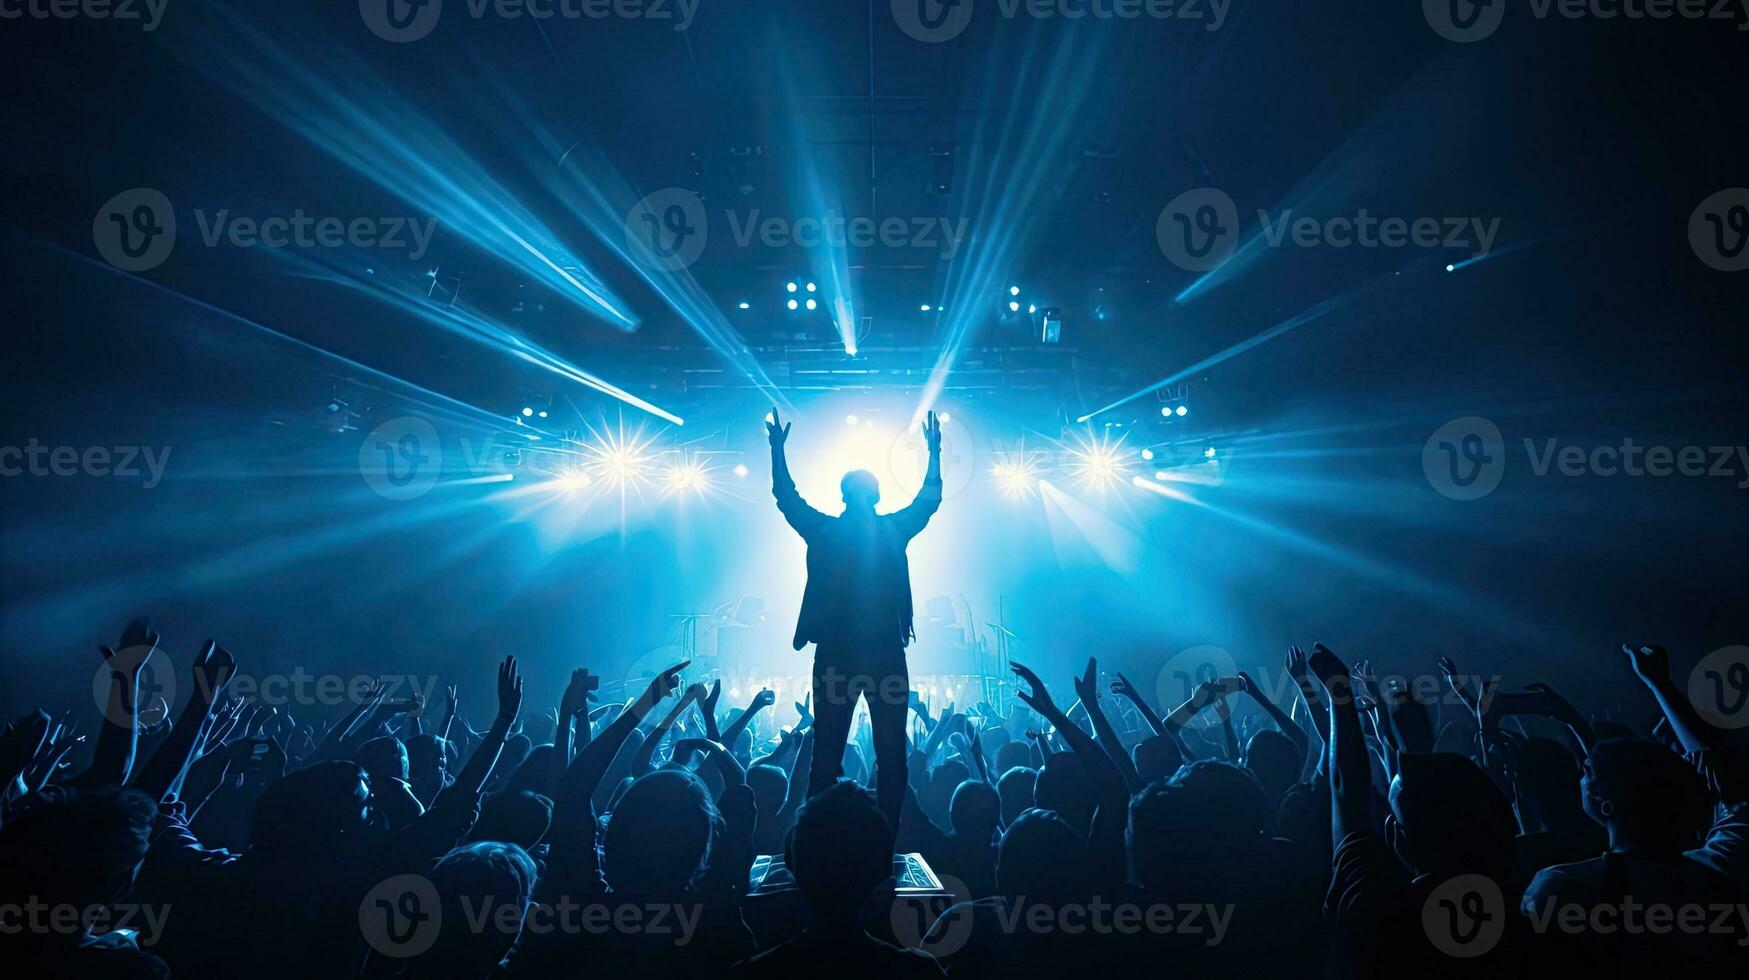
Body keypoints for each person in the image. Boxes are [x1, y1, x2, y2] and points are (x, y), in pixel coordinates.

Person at [767, 407, 945, 829]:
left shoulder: (825, 530)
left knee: (825, 755)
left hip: (835, 657)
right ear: (877, 496)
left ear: (843, 496)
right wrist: (934, 452)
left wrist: (777, 451)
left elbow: (786, 498)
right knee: (890, 757)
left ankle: (819, 843)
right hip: (884, 655)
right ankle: (883, 845)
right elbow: (929, 500)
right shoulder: (892, 529)